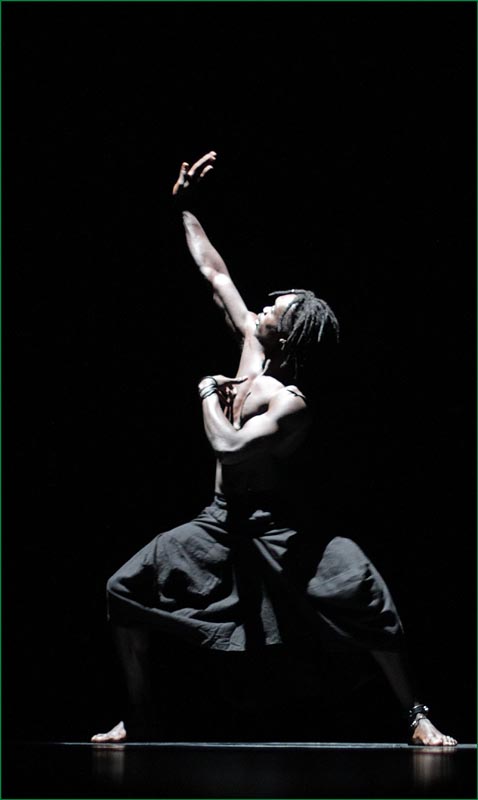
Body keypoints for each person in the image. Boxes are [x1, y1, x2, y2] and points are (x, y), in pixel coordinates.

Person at [91, 152, 456, 746]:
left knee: (365, 591)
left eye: (272, 311)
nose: (260, 309)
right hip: (219, 522)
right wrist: (185, 206)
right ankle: (140, 714)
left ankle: (416, 715)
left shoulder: (291, 403)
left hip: (278, 529)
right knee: (123, 590)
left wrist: (206, 391)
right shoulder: (251, 346)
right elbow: (214, 273)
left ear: (287, 336)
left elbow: (229, 447)